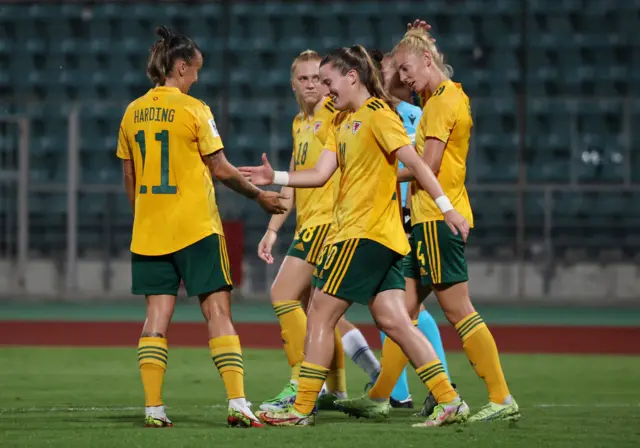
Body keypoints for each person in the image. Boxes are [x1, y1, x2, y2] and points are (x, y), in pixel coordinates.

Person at [240, 45, 471, 428]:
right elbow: (318, 174)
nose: (326, 90)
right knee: (394, 320)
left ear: (352, 77)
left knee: (318, 313)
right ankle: (449, 400)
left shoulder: (379, 116)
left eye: (329, 82)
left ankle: (301, 408)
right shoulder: (344, 122)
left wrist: (446, 207)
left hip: (364, 235)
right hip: (381, 238)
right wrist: (276, 177)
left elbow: (417, 165)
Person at [342, 27, 520, 423]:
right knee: (399, 314)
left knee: (459, 312)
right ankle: (379, 395)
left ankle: (501, 398)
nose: (403, 78)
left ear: (427, 60)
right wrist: (411, 38)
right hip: (423, 221)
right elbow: (391, 65)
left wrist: (380, 175)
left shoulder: (440, 103)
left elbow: (431, 165)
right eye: (400, 71)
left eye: (407, 69)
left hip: (437, 219)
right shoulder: (444, 94)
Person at [116, 26, 287, 428]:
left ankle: (154, 409)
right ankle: (238, 402)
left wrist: (143, 214)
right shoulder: (194, 110)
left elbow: (129, 175)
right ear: (179, 67)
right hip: (195, 228)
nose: (196, 78)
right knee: (217, 311)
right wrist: (259, 196)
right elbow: (221, 168)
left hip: (150, 231)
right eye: (194, 70)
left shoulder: (131, 112)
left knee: (156, 317)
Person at [255, 49, 356, 412]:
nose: (312, 84)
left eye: (317, 77)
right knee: (316, 311)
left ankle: (300, 381)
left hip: (329, 223)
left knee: (282, 295)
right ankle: (336, 390)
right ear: (293, 84)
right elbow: (292, 182)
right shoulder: (300, 122)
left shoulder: (336, 115)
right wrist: (272, 229)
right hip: (307, 225)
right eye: (304, 78)